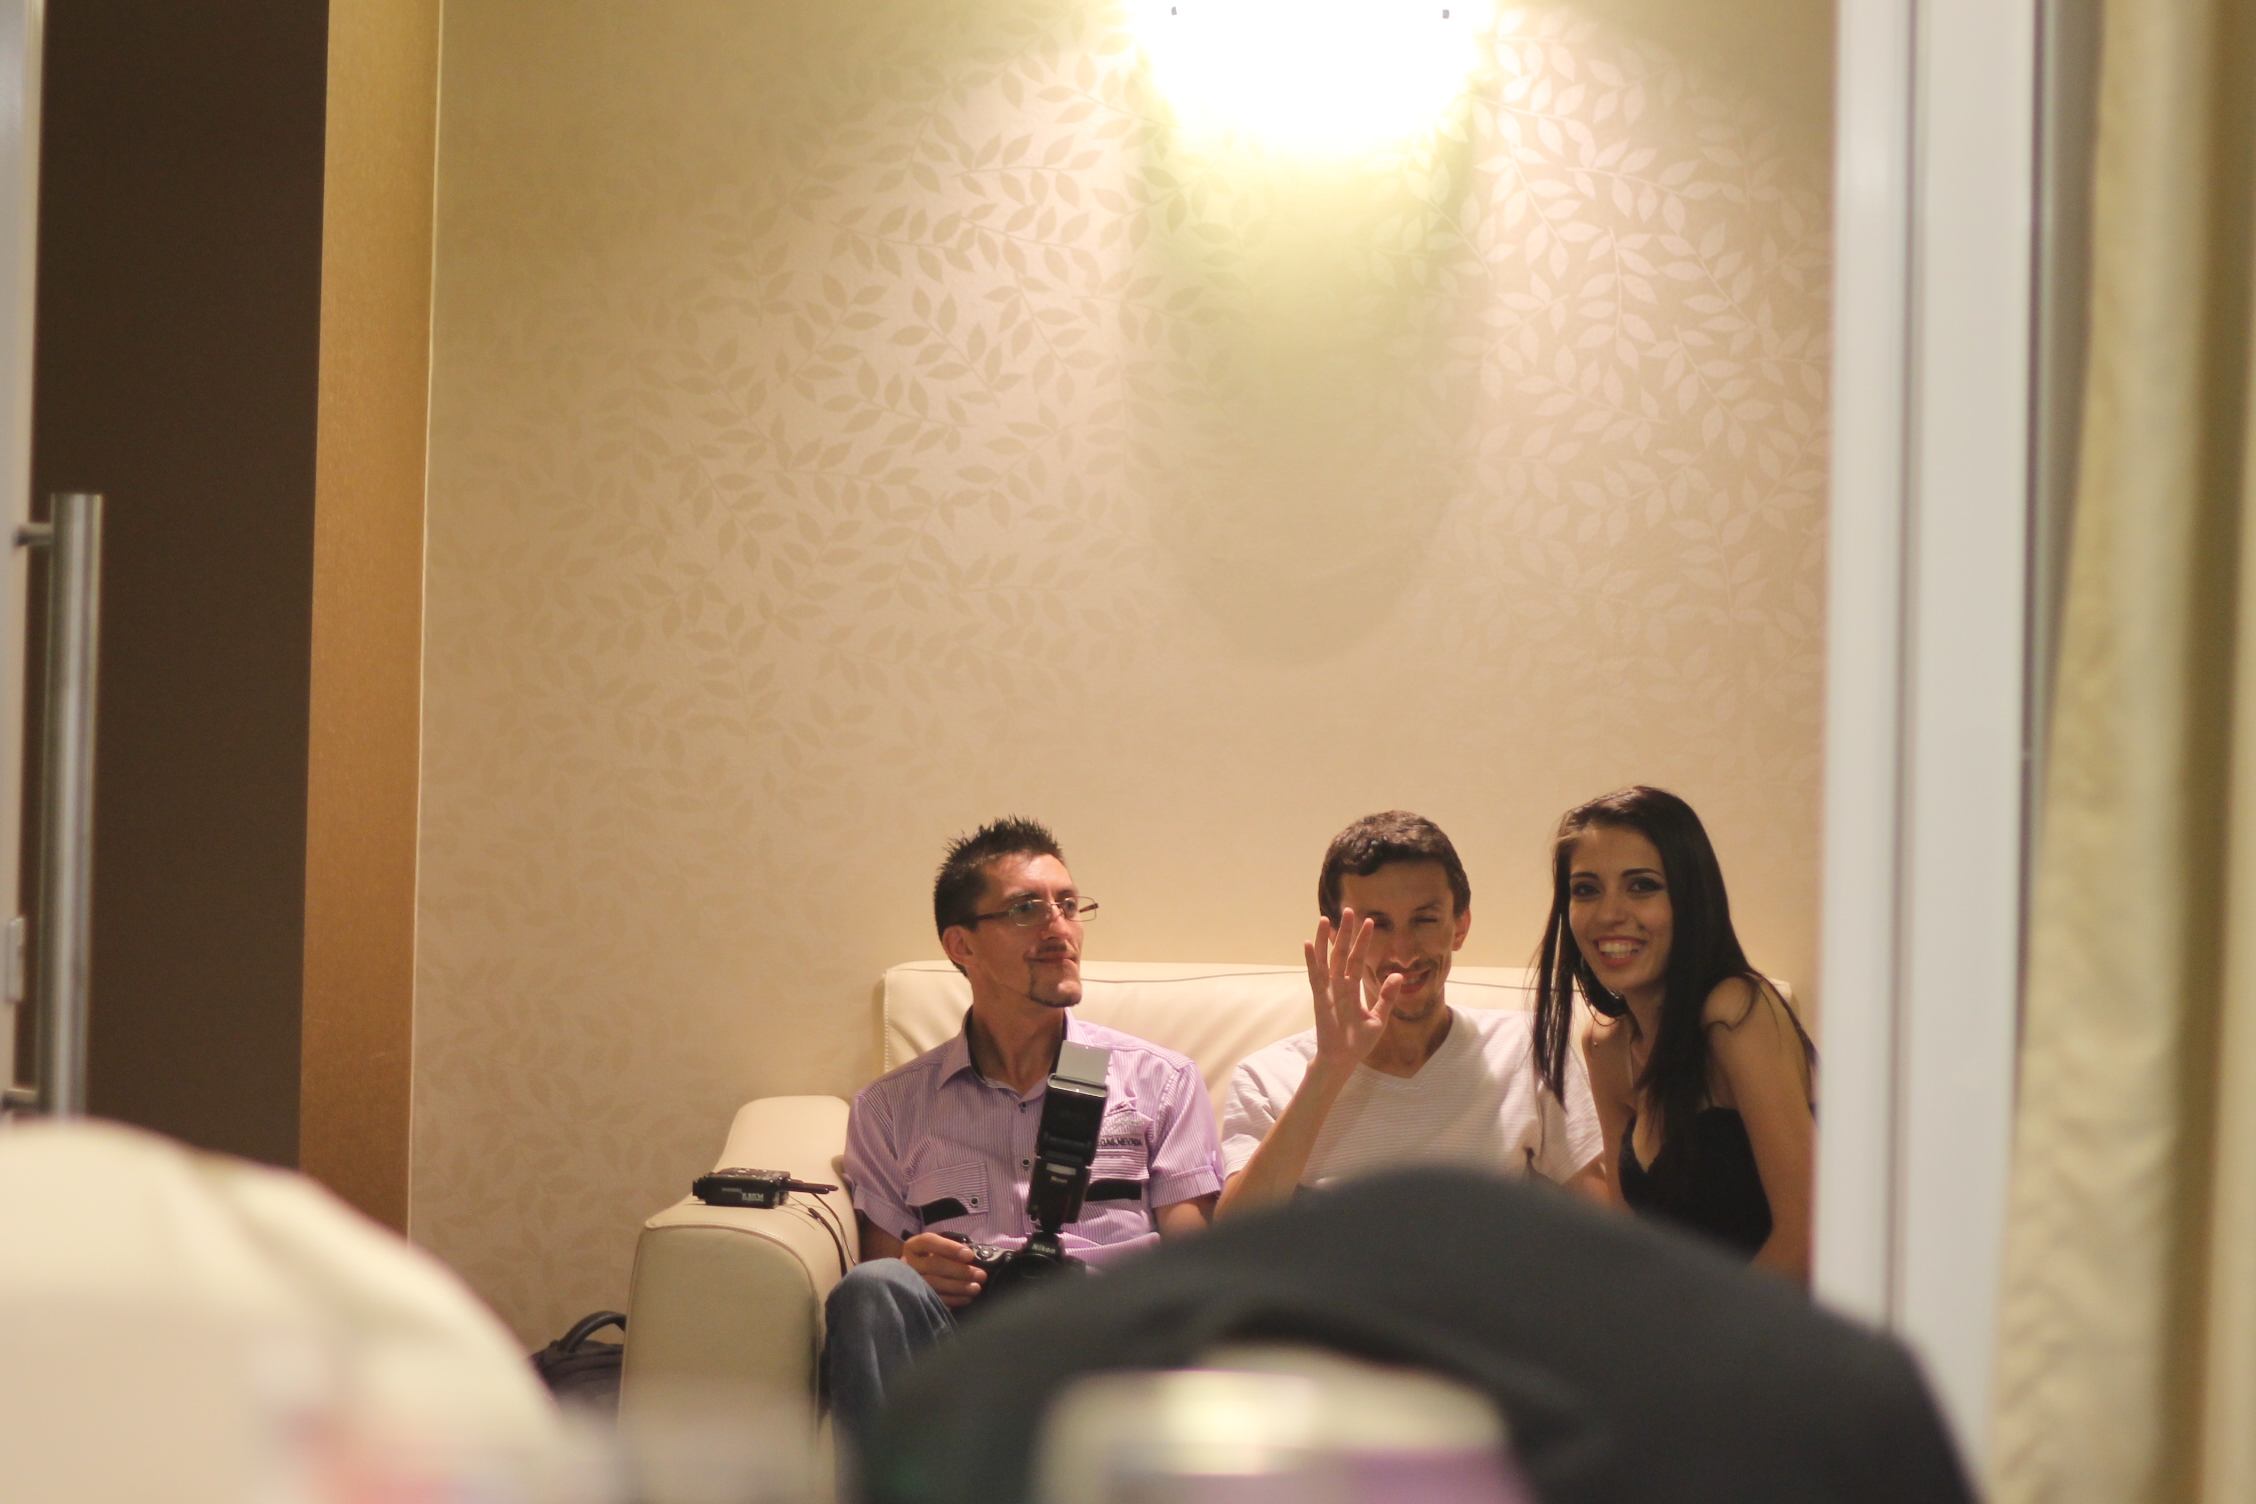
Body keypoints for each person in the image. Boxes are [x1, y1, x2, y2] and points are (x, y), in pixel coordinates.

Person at [822, 817, 1224, 1456]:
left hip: (1109, 1353)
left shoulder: (1160, 1081)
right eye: (1026, 909)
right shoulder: (890, 1108)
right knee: (872, 1290)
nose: (1059, 928)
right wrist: (918, 1268)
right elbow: (885, 1278)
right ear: (962, 945)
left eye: (1069, 905)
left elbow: (1196, 1266)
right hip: (965, 1356)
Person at [1217, 811, 1603, 1216]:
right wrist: (1329, 1070)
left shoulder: (1530, 1047)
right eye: (1377, 926)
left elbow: (1607, 1213)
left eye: (1425, 920)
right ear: (1337, 937)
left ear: (1460, 925)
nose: (1403, 954)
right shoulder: (1265, 1077)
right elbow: (1236, 1235)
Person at [1531, 786, 1817, 1279]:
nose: (1609, 914)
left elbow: (1808, 1232)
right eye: (1586, 889)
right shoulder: (1605, 1046)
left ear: (1692, 898)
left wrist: (1702, 1327)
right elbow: (1628, 1237)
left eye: (1642, 886)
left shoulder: (1734, 1012)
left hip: (1774, 1319)